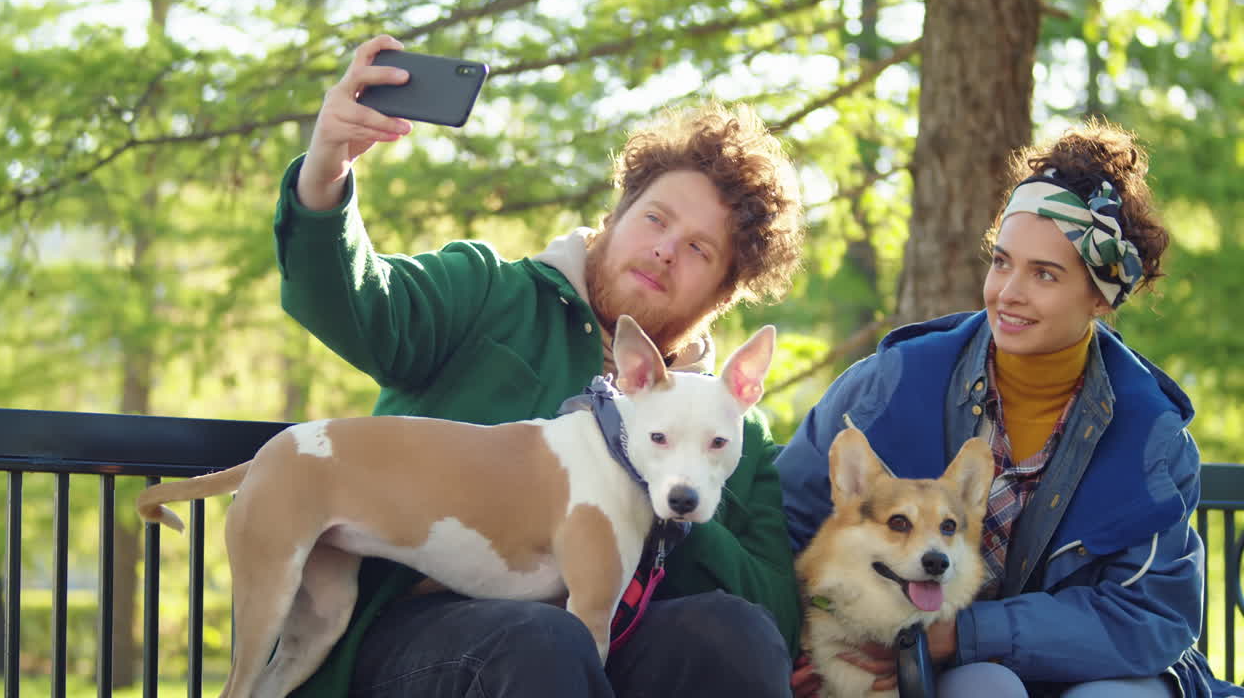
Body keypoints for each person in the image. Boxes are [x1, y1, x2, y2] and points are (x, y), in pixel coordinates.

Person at [273, 34, 806, 697]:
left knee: (733, 633)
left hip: (618, 642)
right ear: (615, 216)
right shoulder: (491, 295)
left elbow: (776, 618)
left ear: (723, 293)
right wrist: (325, 172)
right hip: (421, 630)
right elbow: (353, 305)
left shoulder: (733, 434)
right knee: (544, 640)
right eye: (655, 219)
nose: (665, 249)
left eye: (698, 248)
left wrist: (678, 493)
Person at [777, 120, 1241, 697]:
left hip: (1106, 675)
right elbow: (783, 520)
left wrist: (964, 632)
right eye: (1002, 262)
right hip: (946, 675)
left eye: (1044, 274)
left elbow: (1151, 618)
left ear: (1099, 296)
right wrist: (795, 643)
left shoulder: (1151, 437)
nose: (1008, 292)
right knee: (985, 688)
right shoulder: (892, 385)